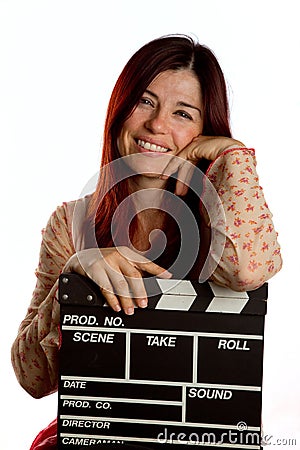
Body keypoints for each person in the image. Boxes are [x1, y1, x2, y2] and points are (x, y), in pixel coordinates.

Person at [11, 34, 282, 449]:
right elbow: (32, 379)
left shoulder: (221, 221)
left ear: (204, 130)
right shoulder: (71, 223)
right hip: (94, 437)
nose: (158, 126)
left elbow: (248, 271)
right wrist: (74, 278)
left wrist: (234, 155)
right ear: (120, 110)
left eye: (183, 113)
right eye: (144, 101)